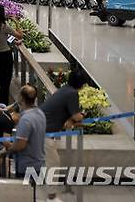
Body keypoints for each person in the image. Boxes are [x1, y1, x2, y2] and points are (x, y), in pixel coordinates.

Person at [40, 69, 87, 201]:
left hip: (42, 127)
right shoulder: (72, 94)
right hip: (45, 132)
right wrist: (83, 115)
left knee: (50, 162)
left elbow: (69, 119)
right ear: (82, 84)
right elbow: (77, 116)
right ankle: (51, 196)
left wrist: (71, 120)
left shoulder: (64, 89)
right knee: (53, 163)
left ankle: (50, 191)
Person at [0, 3, 23, 103]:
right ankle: (4, 106)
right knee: (5, 84)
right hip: (5, 56)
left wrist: (11, 41)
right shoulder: (4, 27)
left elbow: (0, 38)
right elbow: (20, 35)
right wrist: (16, 21)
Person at [8, 85, 46, 178]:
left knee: (25, 192)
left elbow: (21, 145)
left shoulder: (25, 119)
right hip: (39, 164)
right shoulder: (40, 114)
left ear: (21, 98)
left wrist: (9, 149)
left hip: (26, 166)